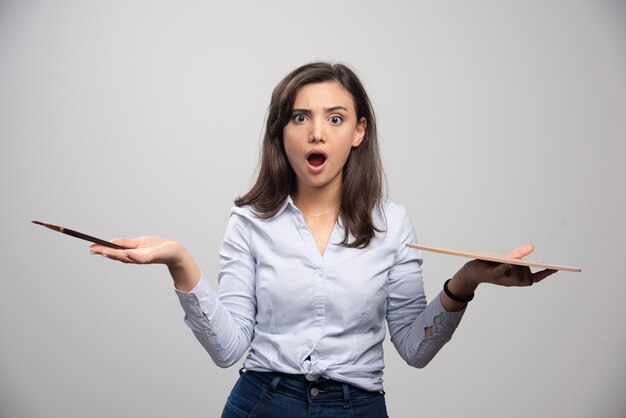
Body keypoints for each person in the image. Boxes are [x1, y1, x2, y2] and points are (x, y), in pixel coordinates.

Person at [90, 62, 556, 417]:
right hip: (262, 402)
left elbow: (415, 349)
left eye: (335, 119)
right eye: (300, 118)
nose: (316, 132)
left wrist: (468, 280)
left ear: (358, 132)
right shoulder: (248, 221)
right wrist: (179, 262)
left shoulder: (392, 223)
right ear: (282, 132)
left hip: (358, 406)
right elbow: (228, 350)